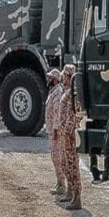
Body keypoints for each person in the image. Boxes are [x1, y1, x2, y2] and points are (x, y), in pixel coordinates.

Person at [57, 64, 82, 210]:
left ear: (68, 76)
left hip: (70, 136)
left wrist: (67, 132)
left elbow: (75, 115)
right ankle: (70, 192)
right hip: (65, 135)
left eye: (65, 76)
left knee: (72, 166)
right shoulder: (68, 92)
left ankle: (77, 198)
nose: (63, 78)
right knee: (66, 165)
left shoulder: (75, 93)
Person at [44, 69, 66, 197]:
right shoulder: (53, 91)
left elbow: (57, 112)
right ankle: (59, 182)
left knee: (57, 157)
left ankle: (62, 185)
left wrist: (56, 129)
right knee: (54, 157)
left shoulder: (58, 92)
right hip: (52, 129)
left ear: (56, 79)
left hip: (55, 130)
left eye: (51, 78)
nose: (49, 80)